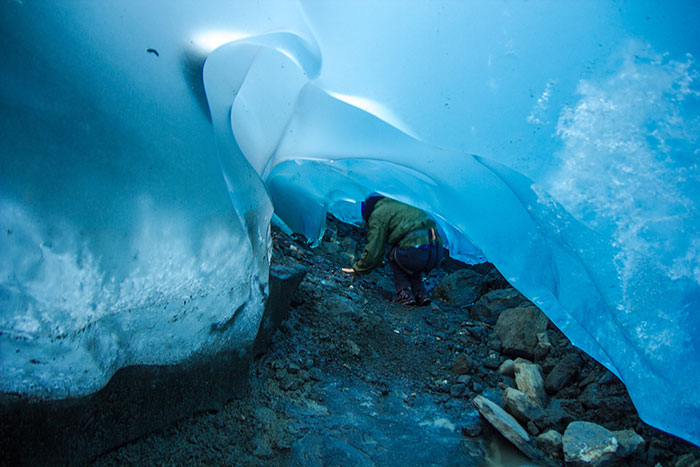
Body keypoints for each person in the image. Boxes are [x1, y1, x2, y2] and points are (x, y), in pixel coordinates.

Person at [342, 193, 443, 306]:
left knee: (393, 255)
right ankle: (421, 294)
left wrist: (358, 269)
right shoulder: (400, 206)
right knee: (411, 260)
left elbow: (374, 251)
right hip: (436, 252)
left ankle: (404, 294)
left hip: (416, 252)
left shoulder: (378, 214)